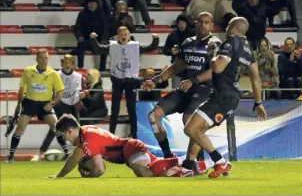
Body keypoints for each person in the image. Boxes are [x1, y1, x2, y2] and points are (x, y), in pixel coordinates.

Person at [171, 17, 267, 178]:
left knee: (191, 129)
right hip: (230, 97)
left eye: (229, 25)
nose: (227, 27)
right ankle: (188, 166)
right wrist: (258, 102)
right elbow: (256, 79)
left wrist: (212, 53)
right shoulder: (248, 50)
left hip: (221, 97)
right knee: (198, 130)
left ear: (234, 28)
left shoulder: (229, 44)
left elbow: (217, 67)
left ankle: (220, 162)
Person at [141, 12, 221, 159]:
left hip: (205, 89)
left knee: (189, 120)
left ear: (212, 26)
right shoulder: (188, 42)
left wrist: (193, 80)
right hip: (186, 87)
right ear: (196, 23)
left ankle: (199, 161)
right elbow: (177, 66)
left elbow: (215, 70)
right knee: (153, 115)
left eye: (206, 22)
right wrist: (155, 81)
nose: (202, 25)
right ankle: (168, 155)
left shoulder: (214, 44)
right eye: (200, 22)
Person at [49, 114, 213, 178]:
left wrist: (87, 176)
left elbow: (100, 170)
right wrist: (59, 176)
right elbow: (73, 159)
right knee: (154, 167)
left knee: (144, 173)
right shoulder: (84, 134)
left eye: (63, 135)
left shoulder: (86, 140)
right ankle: (195, 163)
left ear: (69, 131)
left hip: (131, 150)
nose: (64, 139)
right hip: (129, 149)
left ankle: (180, 170)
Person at [90, 26, 159, 137]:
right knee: (115, 110)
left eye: (126, 34)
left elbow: (150, 48)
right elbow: (98, 49)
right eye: (122, 34)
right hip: (117, 80)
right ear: (118, 36)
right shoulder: (113, 46)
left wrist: (155, 39)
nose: (124, 36)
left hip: (130, 81)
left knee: (131, 110)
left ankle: (135, 136)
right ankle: (111, 135)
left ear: (129, 35)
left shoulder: (134, 46)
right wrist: (93, 39)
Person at [5, 49, 65, 163]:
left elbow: (60, 92)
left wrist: (52, 103)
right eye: (42, 58)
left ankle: (67, 154)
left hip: (45, 103)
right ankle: (11, 157)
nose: (44, 60)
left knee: (56, 127)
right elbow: (21, 89)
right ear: (37, 59)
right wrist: (18, 105)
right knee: (20, 128)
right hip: (30, 102)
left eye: (46, 58)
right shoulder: (28, 71)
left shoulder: (53, 73)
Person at [31, 54, 84, 161]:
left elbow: (78, 92)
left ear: (73, 64)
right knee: (54, 129)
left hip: (73, 104)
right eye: (65, 62)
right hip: (59, 104)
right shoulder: (55, 74)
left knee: (78, 130)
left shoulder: (78, 76)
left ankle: (83, 152)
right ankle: (41, 153)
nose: (67, 65)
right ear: (62, 63)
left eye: (70, 62)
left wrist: (79, 100)